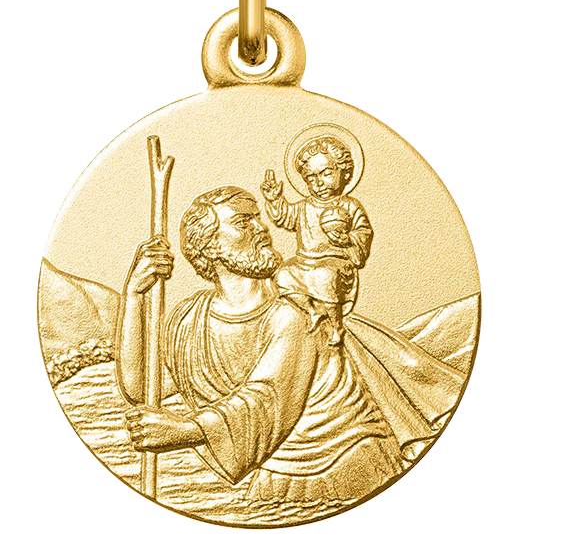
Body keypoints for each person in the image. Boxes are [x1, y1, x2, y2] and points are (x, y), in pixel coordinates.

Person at [116, 186, 465, 505]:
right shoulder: (189, 318)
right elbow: (141, 389)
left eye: (258, 218)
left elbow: (268, 397)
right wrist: (134, 294)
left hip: (342, 463)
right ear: (209, 246)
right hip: (276, 473)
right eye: (243, 222)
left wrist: (188, 431)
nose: (262, 228)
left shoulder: (297, 307)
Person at [260, 135, 372, 345]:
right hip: (304, 262)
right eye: (311, 178)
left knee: (324, 276)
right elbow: (284, 217)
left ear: (344, 172)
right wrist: (275, 199)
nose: (318, 183)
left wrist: (347, 239)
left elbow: (363, 232)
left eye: (326, 173)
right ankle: (312, 310)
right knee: (283, 275)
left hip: (336, 264)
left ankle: (336, 326)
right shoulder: (304, 207)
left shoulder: (350, 206)